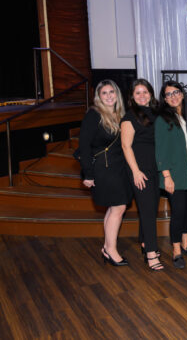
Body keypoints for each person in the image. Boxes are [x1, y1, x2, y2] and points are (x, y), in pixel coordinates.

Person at [78, 79, 132, 266]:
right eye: (104, 93)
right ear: (98, 97)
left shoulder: (120, 114)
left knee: (114, 207)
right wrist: (88, 174)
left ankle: (107, 247)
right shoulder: (94, 114)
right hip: (103, 169)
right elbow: (83, 146)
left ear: (117, 94)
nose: (109, 96)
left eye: (112, 92)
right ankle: (111, 249)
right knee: (118, 207)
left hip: (118, 167)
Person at [155, 81, 187, 269]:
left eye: (176, 92)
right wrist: (166, 176)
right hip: (174, 174)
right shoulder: (162, 119)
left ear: (182, 94)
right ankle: (176, 251)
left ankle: (185, 243)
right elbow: (160, 151)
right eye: (168, 94)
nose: (173, 96)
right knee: (178, 212)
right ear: (164, 99)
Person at [120, 79, 163, 271]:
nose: (142, 95)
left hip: (154, 168)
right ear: (132, 97)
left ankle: (146, 243)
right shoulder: (129, 118)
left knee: (151, 208)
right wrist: (136, 172)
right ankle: (152, 254)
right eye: (137, 93)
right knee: (147, 211)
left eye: (145, 92)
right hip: (139, 169)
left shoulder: (155, 113)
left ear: (151, 94)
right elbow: (126, 146)